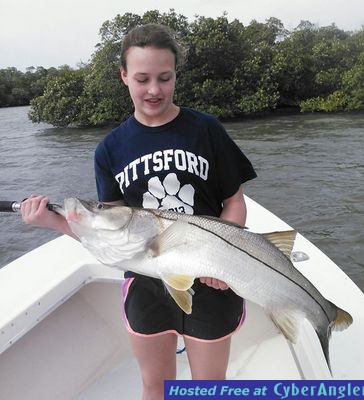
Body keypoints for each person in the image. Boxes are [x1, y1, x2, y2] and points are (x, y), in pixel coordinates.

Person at [21, 24, 257, 400]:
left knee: (210, 388)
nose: (154, 90)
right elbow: (108, 231)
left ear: (176, 75)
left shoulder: (206, 130)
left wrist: (221, 262)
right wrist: (50, 220)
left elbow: (234, 201)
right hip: (146, 280)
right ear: (124, 75)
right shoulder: (110, 149)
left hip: (212, 278)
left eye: (165, 78)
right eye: (143, 78)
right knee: (155, 387)